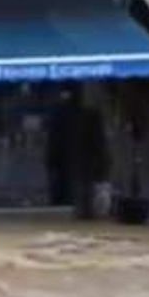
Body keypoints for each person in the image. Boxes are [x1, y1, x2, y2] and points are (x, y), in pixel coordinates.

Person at [47, 84, 112, 218]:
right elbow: (99, 143)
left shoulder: (63, 116)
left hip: (77, 163)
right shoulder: (89, 116)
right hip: (80, 162)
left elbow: (54, 141)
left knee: (80, 192)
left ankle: (83, 213)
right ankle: (84, 213)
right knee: (81, 192)